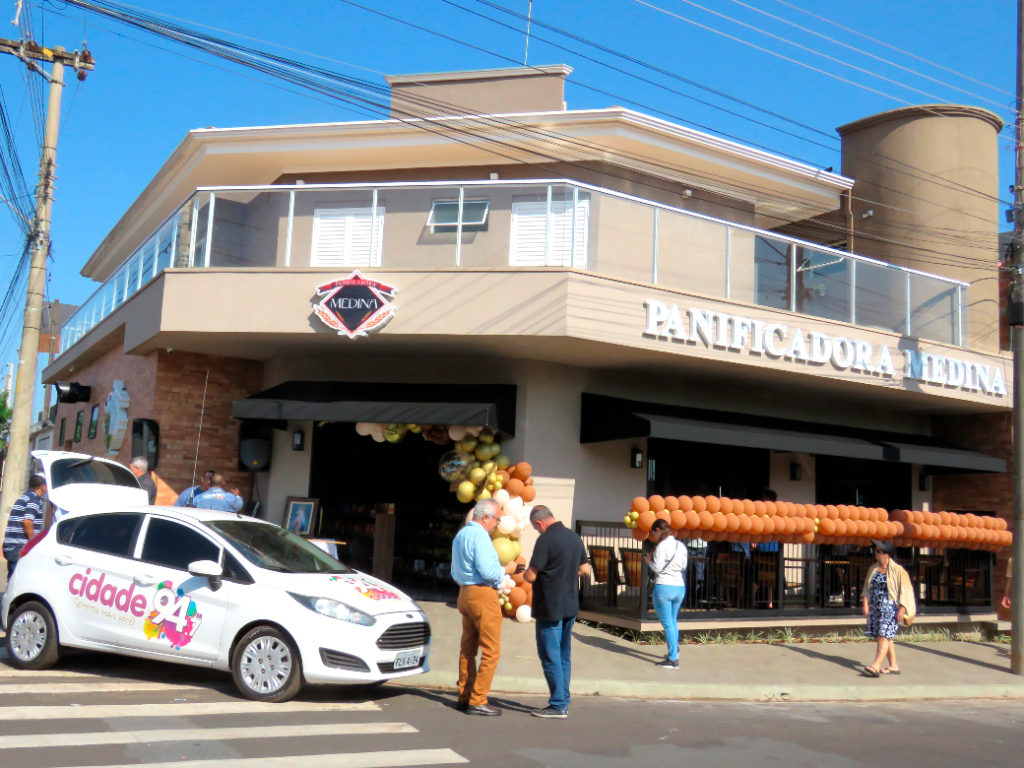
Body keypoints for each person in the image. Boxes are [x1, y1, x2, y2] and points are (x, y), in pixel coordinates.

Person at [523, 505, 590, 719]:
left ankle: (558, 704)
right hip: (570, 604)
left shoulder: (546, 540)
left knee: (550, 655)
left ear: (540, 522)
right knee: (563, 655)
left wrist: (524, 574)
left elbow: (531, 576)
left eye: (536, 527)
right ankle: (564, 698)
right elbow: (584, 570)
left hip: (549, 606)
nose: (537, 531)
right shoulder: (573, 537)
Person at [450, 498, 506, 716]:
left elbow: (455, 570)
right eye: (497, 519)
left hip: (465, 591)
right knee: (491, 650)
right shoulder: (481, 536)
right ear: (486, 517)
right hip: (482, 592)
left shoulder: (461, 534)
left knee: (468, 648)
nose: (498, 524)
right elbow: (488, 572)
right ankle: (478, 699)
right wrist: (505, 570)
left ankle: (464, 695)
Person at [861, 539, 916, 677]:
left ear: (887, 554)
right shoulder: (873, 568)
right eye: (875, 550)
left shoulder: (898, 570)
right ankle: (893, 665)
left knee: (883, 635)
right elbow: (866, 588)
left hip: (890, 608)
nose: (875, 553)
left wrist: (902, 609)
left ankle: (876, 665)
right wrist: (865, 603)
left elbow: (905, 591)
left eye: (878, 551)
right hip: (876, 608)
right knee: (887, 637)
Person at [644, 519, 688, 670]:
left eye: (654, 533)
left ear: (658, 530)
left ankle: (673, 659)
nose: (654, 536)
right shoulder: (680, 545)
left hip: (664, 586)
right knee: (673, 620)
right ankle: (675, 651)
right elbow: (683, 566)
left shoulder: (661, 547)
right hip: (679, 587)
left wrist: (649, 561)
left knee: (667, 623)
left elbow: (657, 568)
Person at [3, 475, 45, 579]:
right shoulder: (34, 499)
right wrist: (33, 542)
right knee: (20, 581)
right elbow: (27, 522)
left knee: (13, 580)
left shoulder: (24, 496)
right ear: (43, 486)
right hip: (20, 547)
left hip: (12, 546)